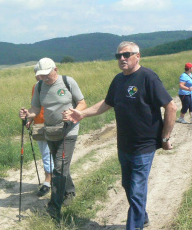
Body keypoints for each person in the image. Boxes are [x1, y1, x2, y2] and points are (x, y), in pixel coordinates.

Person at [63, 41, 177, 230]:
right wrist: (82, 113)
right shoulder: (118, 80)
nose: (122, 59)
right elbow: (106, 104)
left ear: (138, 56)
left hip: (144, 144)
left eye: (126, 55)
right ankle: (143, 217)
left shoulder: (148, 77)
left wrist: (165, 138)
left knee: (138, 189)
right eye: (119, 56)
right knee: (128, 186)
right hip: (124, 144)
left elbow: (171, 106)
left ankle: (134, 226)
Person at [19, 58, 87, 219]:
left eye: (47, 74)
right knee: (60, 166)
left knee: (59, 167)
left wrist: (72, 114)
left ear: (55, 69)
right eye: (41, 75)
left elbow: (82, 103)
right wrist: (28, 115)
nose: (44, 77)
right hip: (50, 131)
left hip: (68, 131)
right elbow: (35, 108)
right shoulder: (39, 86)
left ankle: (54, 207)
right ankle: (69, 192)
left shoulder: (67, 81)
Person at [27, 65, 53, 197]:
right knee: (45, 154)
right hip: (38, 124)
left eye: (40, 73)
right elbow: (34, 107)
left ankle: (48, 182)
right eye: (36, 73)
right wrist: (29, 120)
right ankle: (52, 179)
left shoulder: (51, 85)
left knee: (48, 155)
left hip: (51, 125)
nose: (38, 75)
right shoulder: (36, 87)